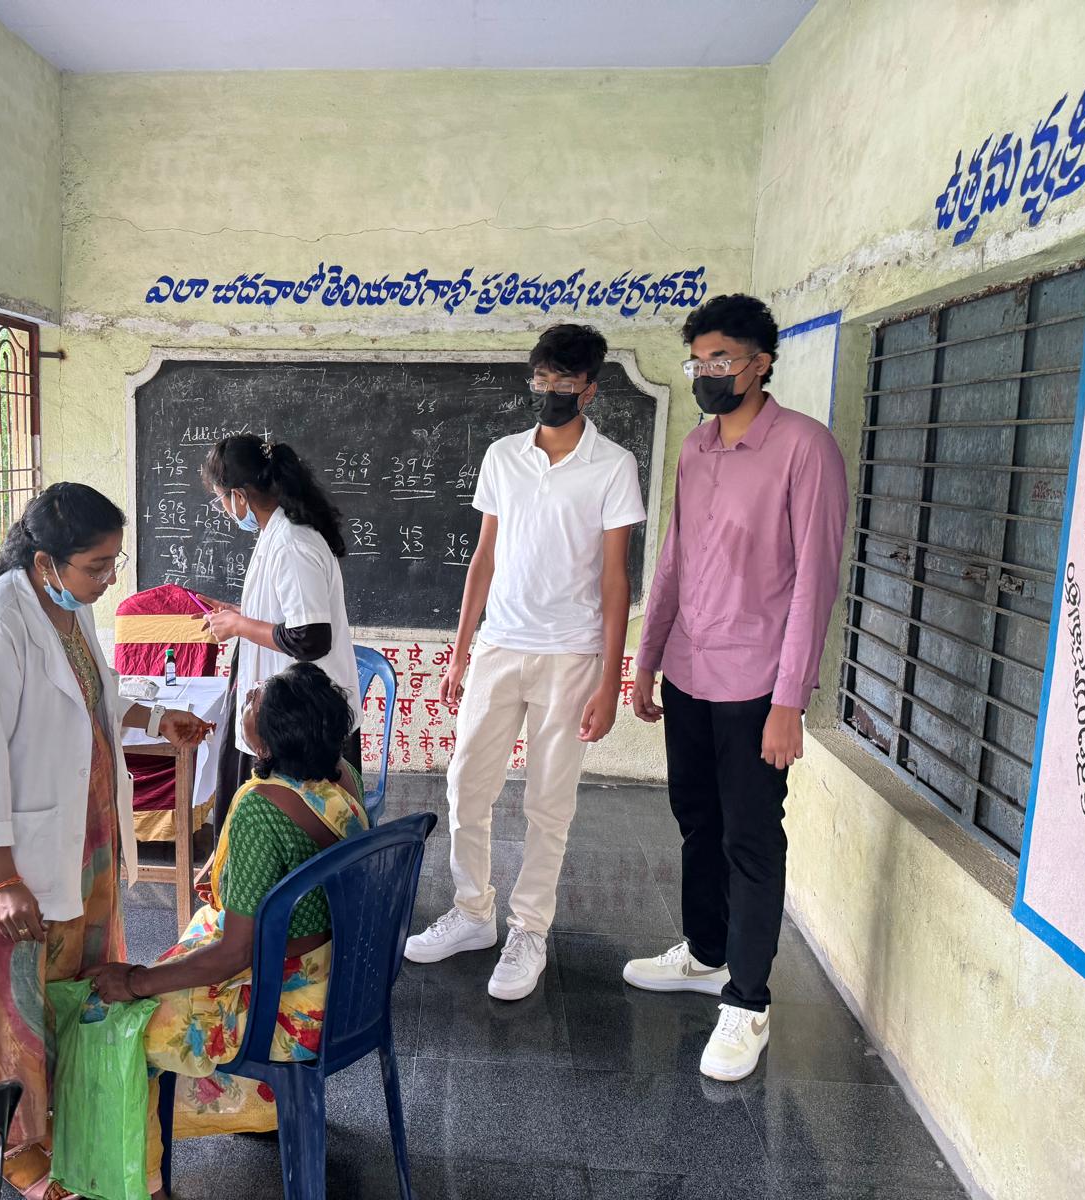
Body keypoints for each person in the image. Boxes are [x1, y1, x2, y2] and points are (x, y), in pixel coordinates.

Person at [0, 481, 211, 1200]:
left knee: (75, 994)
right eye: (96, 565)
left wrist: (159, 721)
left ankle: (71, 1126)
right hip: (21, 863)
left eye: (112, 563)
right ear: (44, 561)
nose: (107, 579)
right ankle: (19, 1153)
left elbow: (100, 695)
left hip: (83, 847)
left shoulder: (68, 612)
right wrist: (1, 879)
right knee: (15, 1007)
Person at [627, 293, 848, 1081]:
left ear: (760, 362)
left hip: (758, 684)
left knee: (751, 839)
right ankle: (707, 952)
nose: (708, 374)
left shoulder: (805, 448)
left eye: (722, 359)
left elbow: (815, 582)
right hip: (689, 670)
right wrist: (647, 657)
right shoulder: (695, 448)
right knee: (696, 819)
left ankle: (747, 1004)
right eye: (699, 360)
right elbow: (676, 560)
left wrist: (789, 702)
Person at [404, 323, 646, 1001]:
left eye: (565, 381)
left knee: (549, 802)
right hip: (499, 646)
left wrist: (609, 676)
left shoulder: (614, 465)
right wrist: (459, 653)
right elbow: (482, 557)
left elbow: (616, 579)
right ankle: (473, 912)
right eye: (541, 378)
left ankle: (529, 928)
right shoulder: (503, 456)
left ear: (590, 388)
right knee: (465, 785)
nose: (550, 390)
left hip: (570, 655)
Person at [85, 662, 367, 1200]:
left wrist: (137, 981)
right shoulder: (339, 779)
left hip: (287, 1006)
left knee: (121, 1019)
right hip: (345, 983)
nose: (253, 691)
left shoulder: (262, 809)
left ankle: (143, 1185)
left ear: (266, 749)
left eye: (261, 699)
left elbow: (234, 953)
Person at [196, 434, 361, 830]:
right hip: (284, 713)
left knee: (293, 835)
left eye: (221, 499)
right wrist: (243, 613)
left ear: (239, 496)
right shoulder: (276, 532)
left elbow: (311, 637)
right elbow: (287, 613)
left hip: (301, 722)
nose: (224, 509)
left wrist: (239, 625)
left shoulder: (291, 542)